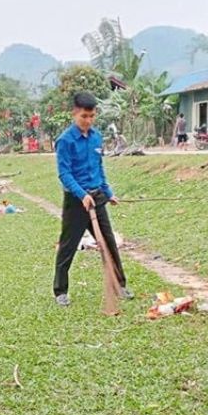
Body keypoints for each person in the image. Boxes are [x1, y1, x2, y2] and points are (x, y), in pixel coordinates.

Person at [53, 92, 132, 307]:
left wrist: (108, 192)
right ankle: (60, 290)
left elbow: (99, 168)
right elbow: (64, 174)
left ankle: (120, 285)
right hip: (76, 202)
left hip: (97, 198)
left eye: (92, 116)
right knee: (68, 246)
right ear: (74, 114)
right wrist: (82, 194)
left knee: (108, 243)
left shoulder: (97, 137)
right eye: (84, 116)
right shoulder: (65, 141)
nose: (88, 121)